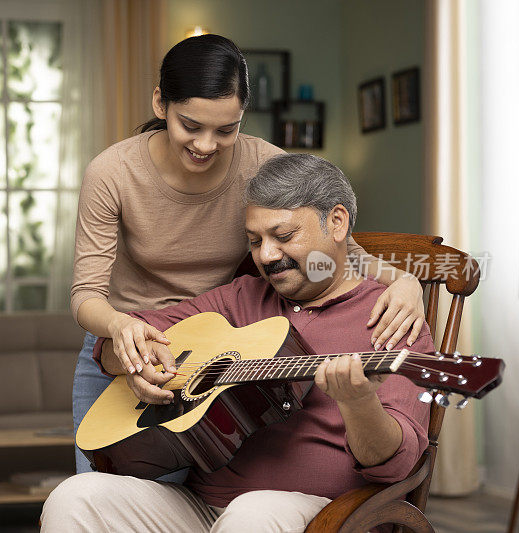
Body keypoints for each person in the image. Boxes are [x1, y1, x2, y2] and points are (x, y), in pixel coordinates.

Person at [70, 34, 426, 473]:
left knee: (184, 493)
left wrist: (403, 280)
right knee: (103, 494)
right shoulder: (112, 172)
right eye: (190, 125)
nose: (206, 145)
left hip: (213, 352)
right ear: (160, 104)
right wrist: (123, 330)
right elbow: (85, 295)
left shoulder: (261, 162)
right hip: (126, 345)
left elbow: (342, 250)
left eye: (226, 129)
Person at [45, 154, 433, 532]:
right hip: (199, 508)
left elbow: (395, 465)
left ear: (336, 222)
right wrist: (135, 356)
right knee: (75, 497)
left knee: (251, 514)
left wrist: (359, 403)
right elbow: (112, 345)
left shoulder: (394, 320)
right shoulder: (240, 297)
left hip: (319, 515)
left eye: (283, 236)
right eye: (254, 240)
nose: (266, 256)